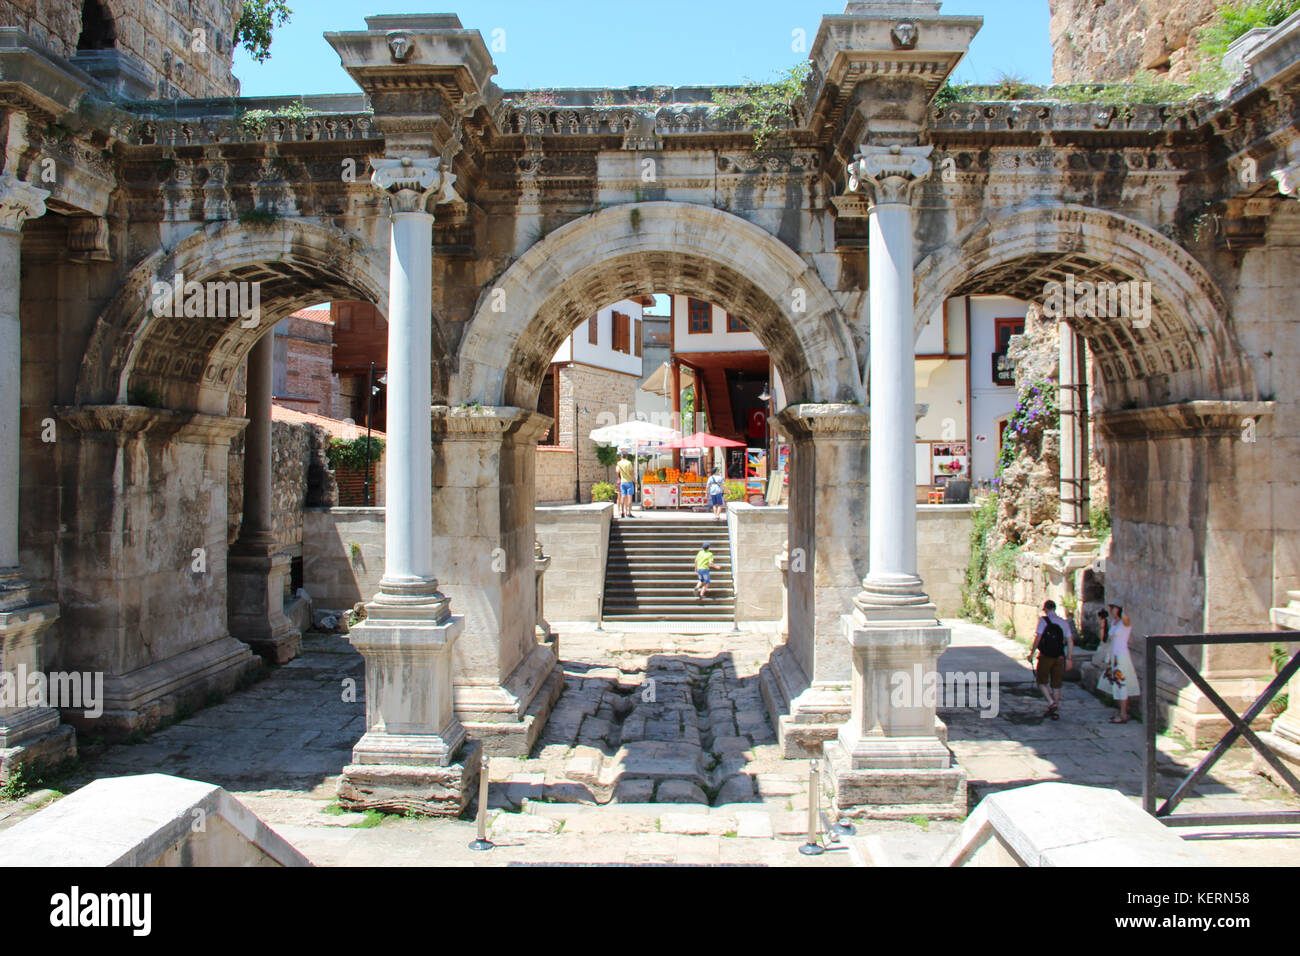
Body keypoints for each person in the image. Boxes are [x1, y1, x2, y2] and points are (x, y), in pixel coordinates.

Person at [1027, 599, 1074, 720]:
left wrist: (1031, 653)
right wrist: (1069, 658)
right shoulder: (1064, 622)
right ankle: (1055, 710)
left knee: (1041, 681)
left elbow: (1038, 638)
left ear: (1046, 609)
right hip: (1059, 656)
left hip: (1046, 656)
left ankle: (1051, 702)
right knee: (1056, 684)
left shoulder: (1043, 621)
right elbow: (1070, 641)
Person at [1098, 604, 1140, 723]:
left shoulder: (1124, 623)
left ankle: (1123, 713)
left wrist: (1122, 610)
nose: (1112, 610)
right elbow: (1104, 638)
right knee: (1115, 684)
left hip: (1122, 656)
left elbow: (1126, 618)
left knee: (1122, 683)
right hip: (1114, 655)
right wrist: (1103, 622)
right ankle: (1122, 710)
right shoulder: (1114, 623)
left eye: (1114, 608)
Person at [616, 453, 636, 518]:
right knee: (629, 497)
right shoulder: (629, 463)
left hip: (622, 482)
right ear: (626, 457)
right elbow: (631, 473)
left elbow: (617, 471)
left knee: (623, 497)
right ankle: (629, 513)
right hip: (629, 482)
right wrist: (635, 482)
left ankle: (622, 512)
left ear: (621, 457)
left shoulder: (619, 463)